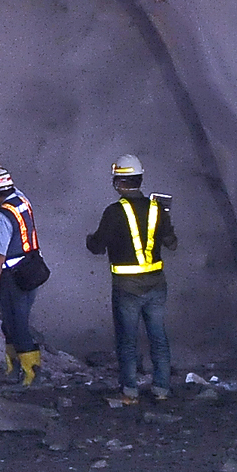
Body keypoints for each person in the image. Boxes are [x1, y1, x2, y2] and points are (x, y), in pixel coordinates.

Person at [84, 155, 178, 406]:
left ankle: (130, 391)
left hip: (127, 288)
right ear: (140, 179)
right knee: (158, 337)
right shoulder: (158, 209)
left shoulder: (114, 212)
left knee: (127, 341)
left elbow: (97, 246)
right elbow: (172, 243)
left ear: (119, 183)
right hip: (157, 285)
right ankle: (161, 388)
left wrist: (90, 239)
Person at [0, 161, 47, 386]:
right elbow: (12, 188)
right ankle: (14, 369)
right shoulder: (22, 200)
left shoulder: (2, 217)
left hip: (14, 276)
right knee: (13, 323)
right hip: (32, 269)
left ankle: (29, 374)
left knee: (16, 324)